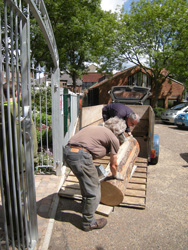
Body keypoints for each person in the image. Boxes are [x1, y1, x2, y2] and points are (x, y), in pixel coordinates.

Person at [63, 117, 126, 232]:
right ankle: (88, 222)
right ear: (120, 132)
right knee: (94, 189)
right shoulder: (113, 138)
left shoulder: (97, 128)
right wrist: (115, 175)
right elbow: (113, 164)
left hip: (68, 153)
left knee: (84, 181)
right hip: (81, 155)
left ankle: (85, 205)